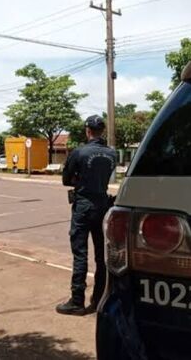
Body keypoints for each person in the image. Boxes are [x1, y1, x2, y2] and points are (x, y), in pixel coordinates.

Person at [56, 115, 116, 316]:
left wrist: (80, 179)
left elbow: (66, 179)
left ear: (88, 130)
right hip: (103, 204)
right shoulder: (111, 154)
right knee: (102, 254)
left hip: (83, 206)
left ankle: (77, 300)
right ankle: (99, 297)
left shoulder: (79, 152)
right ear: (102, 131)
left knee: (80, 253)